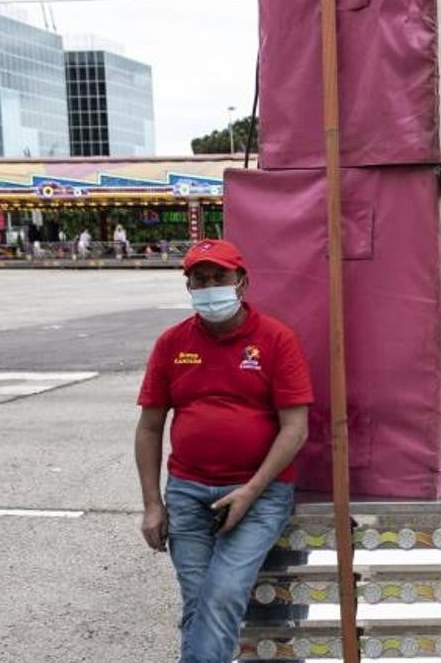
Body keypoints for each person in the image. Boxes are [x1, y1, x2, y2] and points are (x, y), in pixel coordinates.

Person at [134, 239, 314, 662]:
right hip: (188, 492)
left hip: (260, 495)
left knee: (222, 595)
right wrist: (152, 505)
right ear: (190, 287)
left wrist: (250, 490)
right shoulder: (171, 343)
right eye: (201, 279)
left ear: (242, 282)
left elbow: (296, 429)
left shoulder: (276, 340)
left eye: (220, 277)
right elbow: (149, 427)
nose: (210, 286)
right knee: (200, 601)